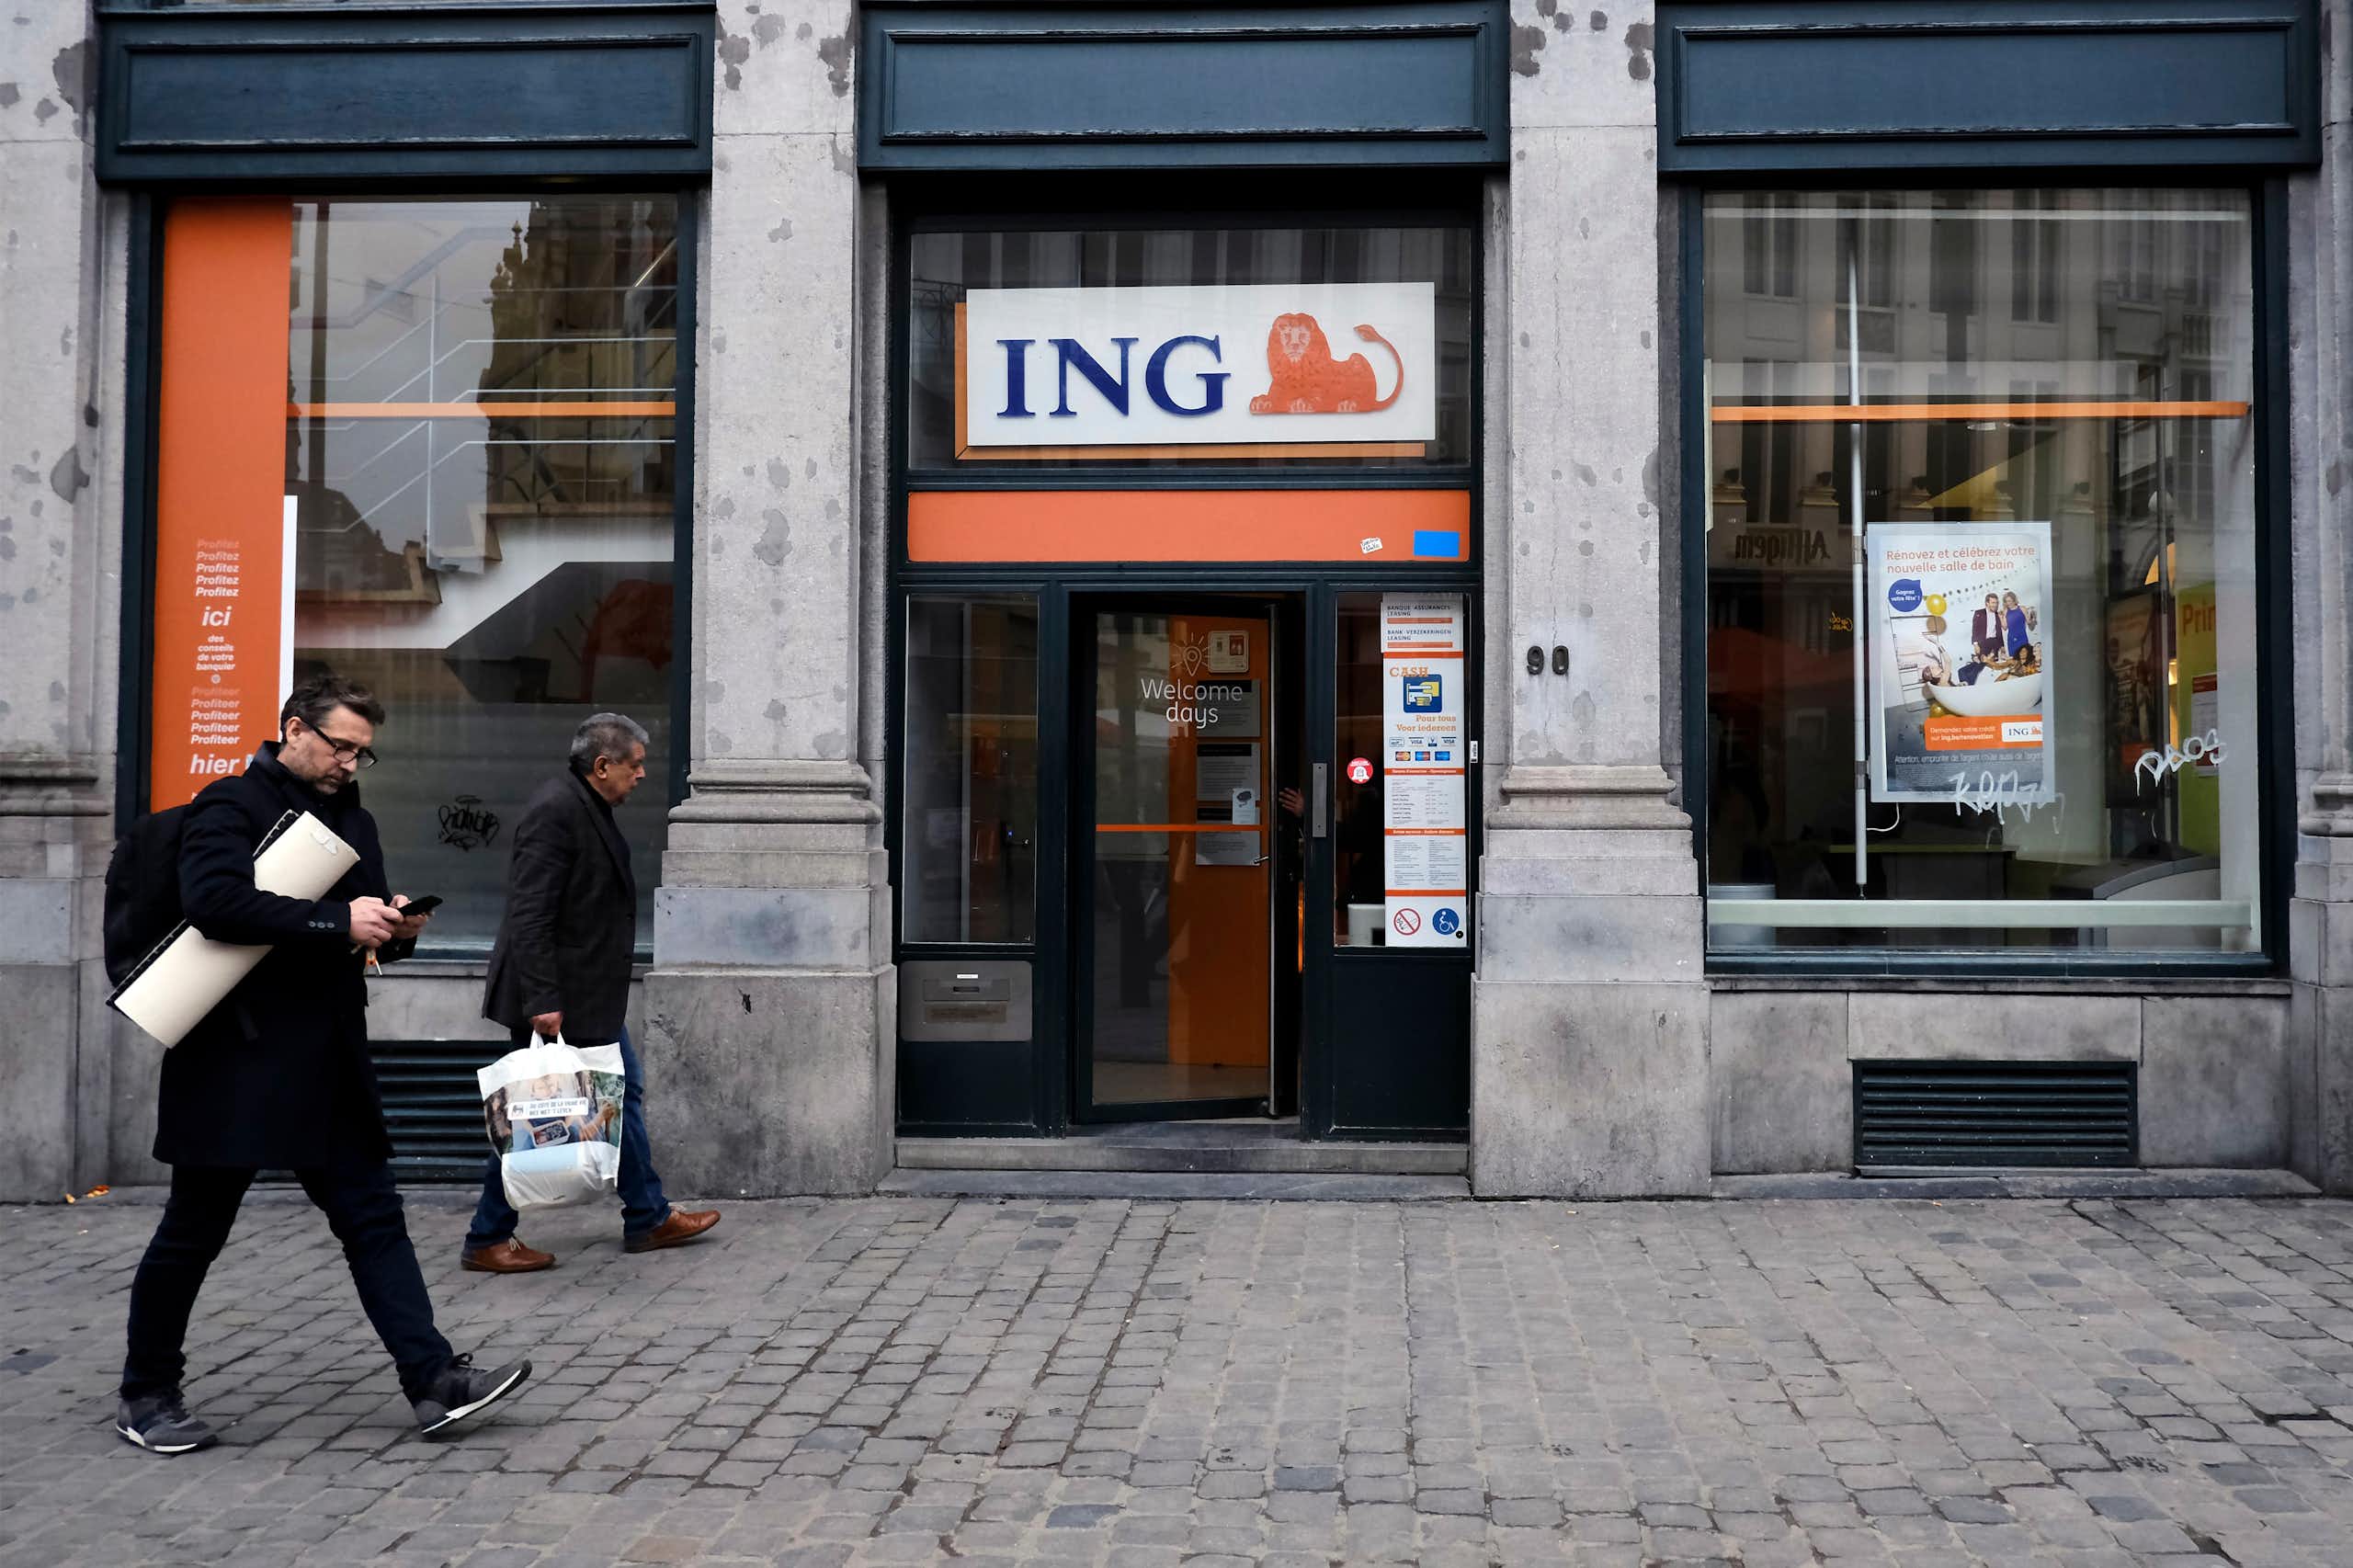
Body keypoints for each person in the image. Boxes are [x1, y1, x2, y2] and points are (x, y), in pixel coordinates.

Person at [117, 674, 532, 1455]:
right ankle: (146, 1394)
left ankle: (434, 1382)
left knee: (374, 1219)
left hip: (327, 1057)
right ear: (292, 728)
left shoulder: (355, 820)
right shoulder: (228, 806)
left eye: (362, 753)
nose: (350, 762)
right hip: (233, 1057)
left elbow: (358, 925)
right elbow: (215, 905)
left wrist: (389, 927)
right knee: (193, 1232)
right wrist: (336, 919)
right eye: (340, 745)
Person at [460, 713, 719, 1272]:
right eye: (635, 765)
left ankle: (648, 1215)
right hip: (561, 998)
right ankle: (488, 1234)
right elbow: (530, 914)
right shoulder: (556, 810)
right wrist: (543, 1000)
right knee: (532, 1109)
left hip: (585, 993)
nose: (643, 775)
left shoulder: (584, 804)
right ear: (602, 766)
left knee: (618, 1097)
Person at [1972, 593, 2005, 662]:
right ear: (1987, 603)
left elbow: (1999, 631)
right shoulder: (1979, 613)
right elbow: (1974, 629)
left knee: (1994, 664)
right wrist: (1975, 644)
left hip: (1994, 643)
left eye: (1996, 603)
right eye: (1993, 603)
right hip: (1983, 644)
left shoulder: (1997, 614)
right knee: (1982, 664)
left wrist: (2002, 646)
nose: (1995, 605)